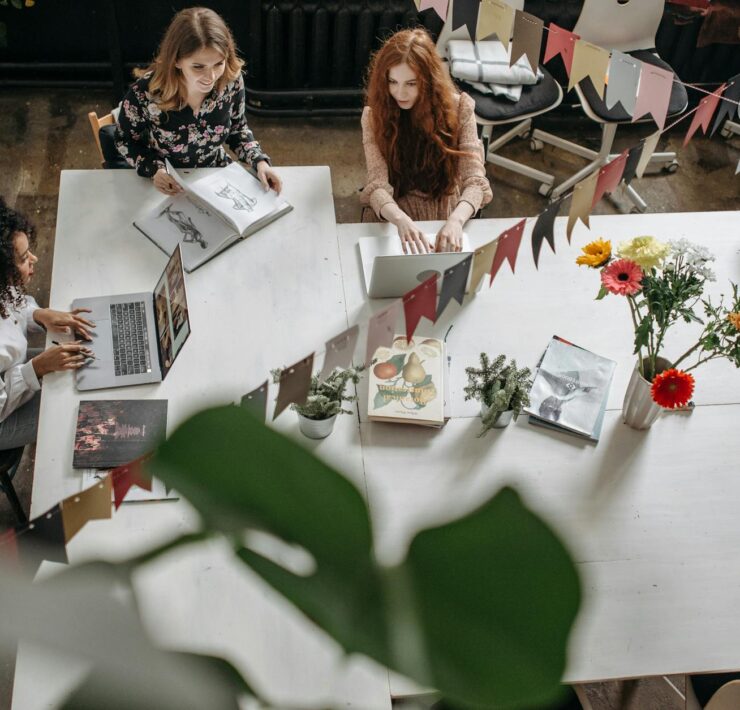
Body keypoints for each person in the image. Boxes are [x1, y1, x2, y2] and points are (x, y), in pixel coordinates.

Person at [115, 7, 282, 197]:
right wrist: (155, 170)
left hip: (216, 173)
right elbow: (125, 140)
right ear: (176, 61)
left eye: (218, 64)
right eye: (198, 67)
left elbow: (237, 128)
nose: (210, 77)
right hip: (166, 179)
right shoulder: (145, 93)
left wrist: (260, 162)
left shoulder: (231, 81)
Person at [361, 28, 492, 254]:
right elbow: (376, 183)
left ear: (429, 81)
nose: (400, 93)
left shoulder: (461, 108)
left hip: (447, 212)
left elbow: (475, 180)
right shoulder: (374, 117)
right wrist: (400, 220)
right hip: (394, 213)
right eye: (393, 81)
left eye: (411, 84)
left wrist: (456, 221)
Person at [0, 198, 94, 450]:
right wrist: (37, 368)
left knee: (85, 370)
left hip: (10, 373)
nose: (34, 259)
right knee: (78, 412)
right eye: (23, 258)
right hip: (2, 418)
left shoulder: (2, 286)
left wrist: (38, 315)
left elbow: (13, 303)